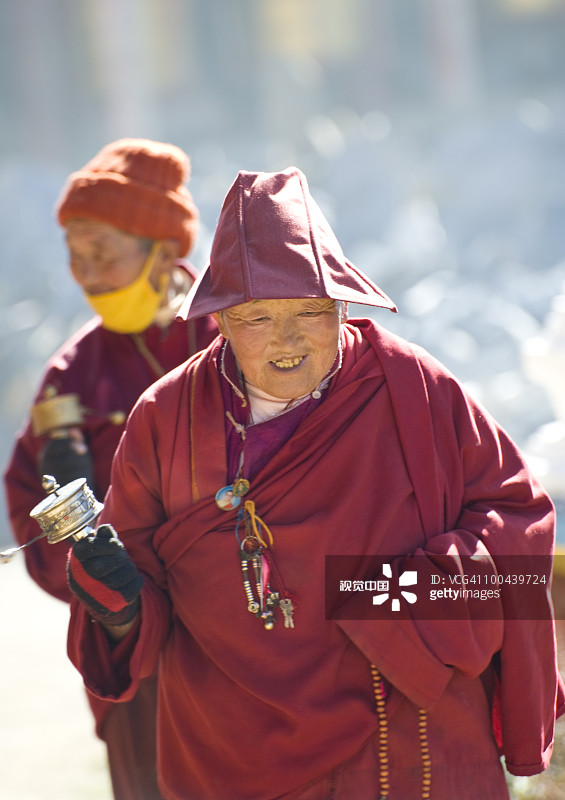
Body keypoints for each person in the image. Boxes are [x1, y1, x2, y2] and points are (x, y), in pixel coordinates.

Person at [65, 166, 564, 800]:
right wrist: (117, 605)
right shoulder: (167, 418)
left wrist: (391, 599)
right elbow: (135, 586)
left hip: (404, 743)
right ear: (218, 322)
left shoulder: (413, 388)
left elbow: (520, 520)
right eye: (257, 319)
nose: (289, 339)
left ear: (341, 307)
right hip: (231, 749)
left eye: (310, 311)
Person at [3, 138, 217, 800]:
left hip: (243, 636)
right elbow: (26, 506)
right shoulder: (75, 372)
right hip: (135, 648)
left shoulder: (232, 337)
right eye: (75, 256)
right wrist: (85, 567)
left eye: (103, 254)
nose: (87, 274)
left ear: (163, 251)